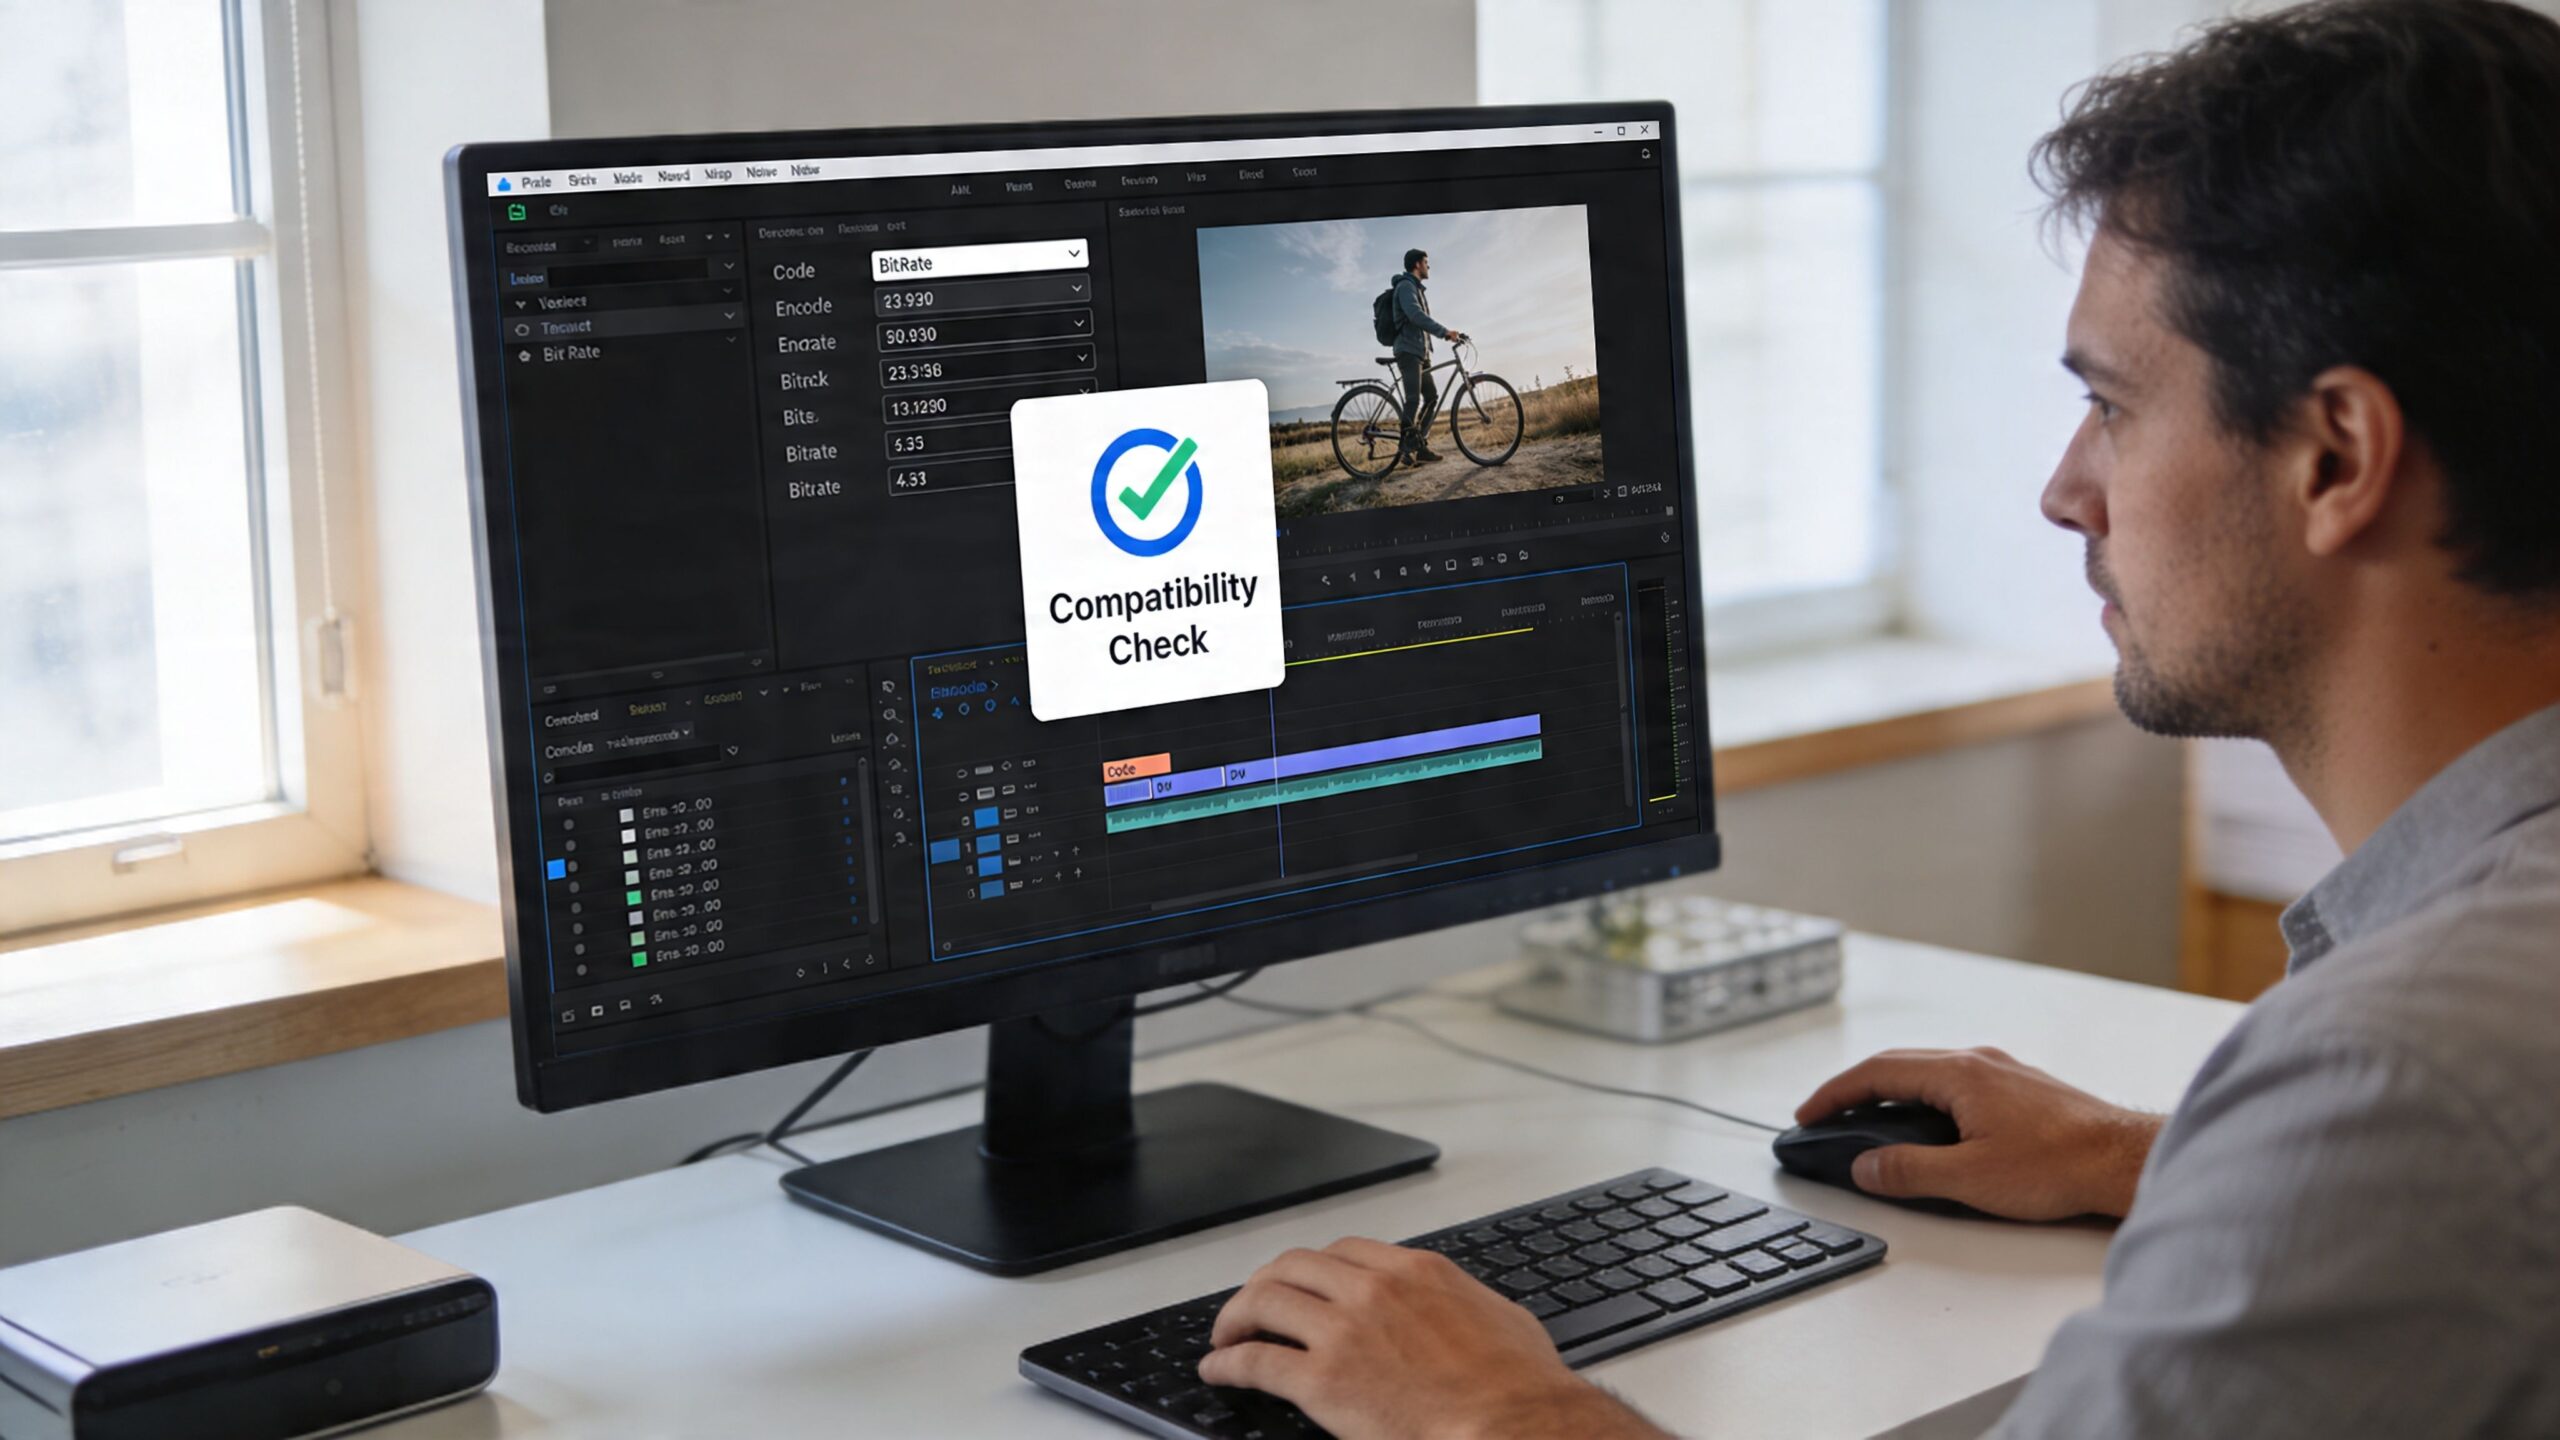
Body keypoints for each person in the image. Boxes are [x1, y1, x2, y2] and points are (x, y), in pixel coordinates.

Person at [1196, 2, 2560, 1435]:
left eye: (2113, 406)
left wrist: (1490, 1411)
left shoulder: (2406, 1076)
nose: (2064, 489)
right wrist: (2179, 1161)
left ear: (2337, 459)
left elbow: (2436, 1131)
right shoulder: (2446, 1066)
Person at [1391, 248, 1468, 468]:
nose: (1429, 266)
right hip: (1408, 351)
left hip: (1420, 352)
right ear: (1417, 265)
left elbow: (1421, 320)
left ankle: (1419, 446)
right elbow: (1416, 316)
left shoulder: (1416, 288)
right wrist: (1444, 331)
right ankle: (1405, 447)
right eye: (1426, 262)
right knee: (1413, 399)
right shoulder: (1406, 287)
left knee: (1432, 397)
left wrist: (1445, 337)